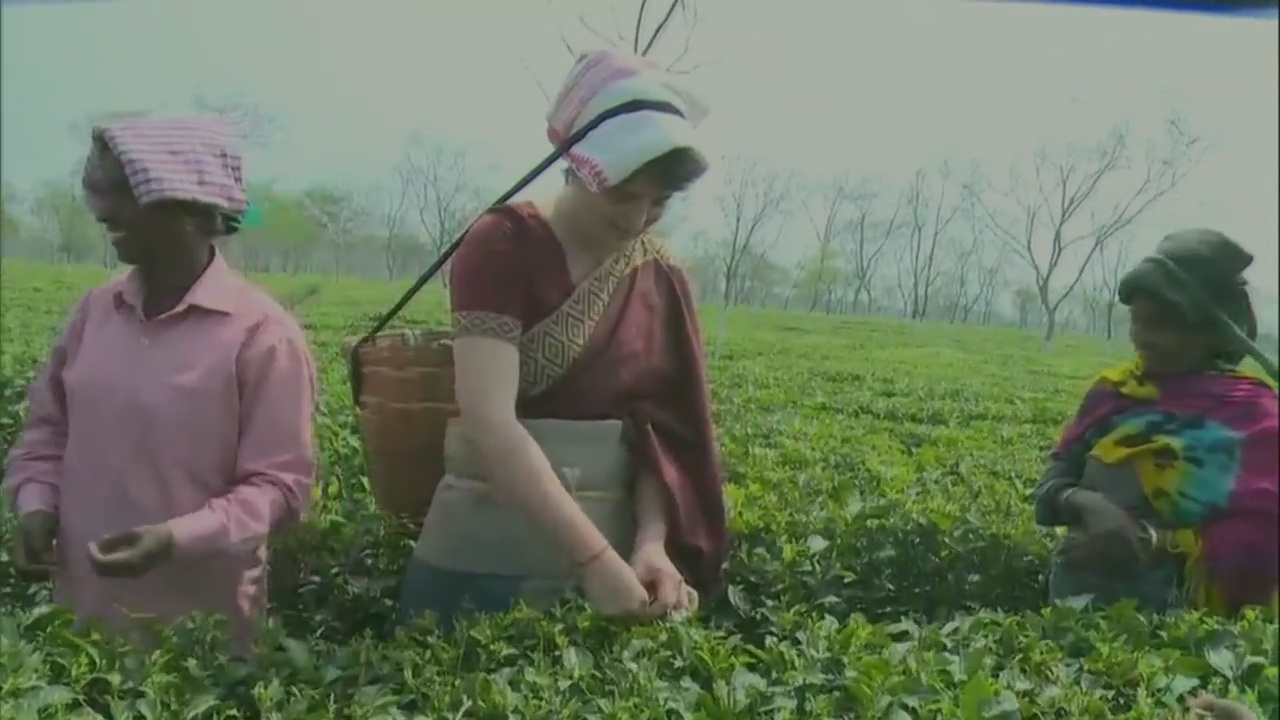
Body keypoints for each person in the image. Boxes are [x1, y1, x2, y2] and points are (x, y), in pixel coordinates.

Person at [396, 49, 727, 632]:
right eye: (623, 196)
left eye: (658, 202)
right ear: (578, 167)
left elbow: (661, 434)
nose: (637, 218)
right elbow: (489, 418)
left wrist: (652, 543)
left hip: (621, 570)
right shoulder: (503, 244)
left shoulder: (659, 274)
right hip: (483, 552)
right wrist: (592, 558)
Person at [2, 117, 318, 649]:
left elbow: (280, 487)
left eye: (126, 194)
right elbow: (47, 432)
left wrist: (176, 539)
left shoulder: (261, 335)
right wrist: (36, 506)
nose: (104, 211)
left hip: (199, 647)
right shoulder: (95, 314)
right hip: (82, 629)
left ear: (185, 207)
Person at [1033, 229, 1278, 616]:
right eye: (1138, 320)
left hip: (1189, 640)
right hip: (1072, 613)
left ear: (1212, 332)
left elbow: (1263, 542)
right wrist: (1084, 502)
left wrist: (1152, 543)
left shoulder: (1257, 416)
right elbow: (1052, 481)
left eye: (1162, 324)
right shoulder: (1114, 392)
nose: (1142, 337)